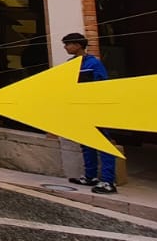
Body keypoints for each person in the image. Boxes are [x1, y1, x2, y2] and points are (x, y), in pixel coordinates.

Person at [63, 32, 118, 194]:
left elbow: (102, 85)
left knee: (103, 143)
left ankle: (108, 181)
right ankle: (90, 176)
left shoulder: (94, 63)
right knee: (86, 143)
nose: (66, 47)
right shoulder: (70, 64)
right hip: (80, 109)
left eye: (68, 44)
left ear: (78, 45)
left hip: (95, 109)